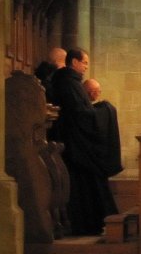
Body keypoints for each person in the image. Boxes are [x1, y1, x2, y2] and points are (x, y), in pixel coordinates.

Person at [50, 48, 118, 235]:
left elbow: (81, 110)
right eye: (85, 62)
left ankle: (92, 224)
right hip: (76, 145)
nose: (86, 67)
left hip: (75, 142)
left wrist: (97, 109)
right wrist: (104, 111)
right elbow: (80, 115)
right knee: (87, 183)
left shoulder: (70, 82)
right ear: (74, 62)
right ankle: (88, 224)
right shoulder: (68, 83)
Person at [83, 78, 123, 178]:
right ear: (92, 93)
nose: (99, 94)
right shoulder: (84, 107)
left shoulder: (88, 106)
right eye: (99, 91)